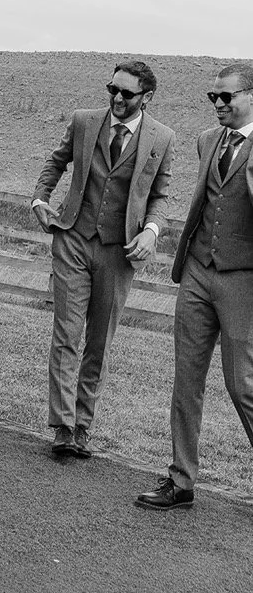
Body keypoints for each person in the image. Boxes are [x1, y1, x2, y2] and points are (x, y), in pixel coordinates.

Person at [32, 61, 174, 458]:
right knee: (66, 333)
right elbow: (56, 161)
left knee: (98, 342)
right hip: (73, 237)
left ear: (146, 97)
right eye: (112, 88)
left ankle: (83, 427)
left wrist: (152, 230)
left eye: (126, 93)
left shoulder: (162, 138)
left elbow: (161, 195)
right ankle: (61, 427)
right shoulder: (83, 121)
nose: (116, 98)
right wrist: (41, 198)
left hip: (119, 250)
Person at [136, 63, 253, 511]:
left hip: (244, 279)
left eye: (227, 97)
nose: (218, 104)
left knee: (242, 383)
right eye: (213, 98)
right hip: (198, 272)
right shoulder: (208, 140)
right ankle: (180, 480)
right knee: (186, 379)